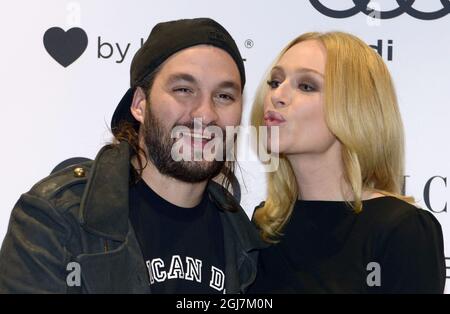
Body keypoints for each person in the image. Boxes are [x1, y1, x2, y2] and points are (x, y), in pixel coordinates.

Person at [0, 18, 265, 293]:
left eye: (224, 96)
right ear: (139, 104)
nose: (206, 114)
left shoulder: (243, 242)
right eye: (184, 90)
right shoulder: (56, 219)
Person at [248, 31, 446, 293]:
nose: (276, 95)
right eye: (275, 82)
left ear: (354, 107)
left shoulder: (401, 229)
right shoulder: (266, 225)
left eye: (306, 86)